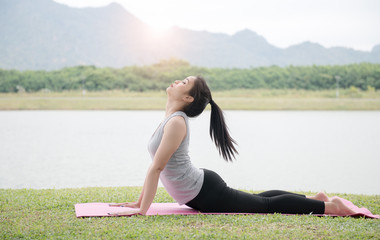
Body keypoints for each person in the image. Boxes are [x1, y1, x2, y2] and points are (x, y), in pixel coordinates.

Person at [109, 76, 355, 216]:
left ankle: (330, 207)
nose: (176, 80)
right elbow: (155, 167)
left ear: (188, 98)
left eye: (183, 82)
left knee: (264, 206)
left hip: (205, 192)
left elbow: (157, 169)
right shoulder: (171, 120)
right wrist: (138, 202)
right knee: (256, 200)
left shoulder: (176, 123)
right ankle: (316, 198)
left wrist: (142, 210)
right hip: (202, 187)